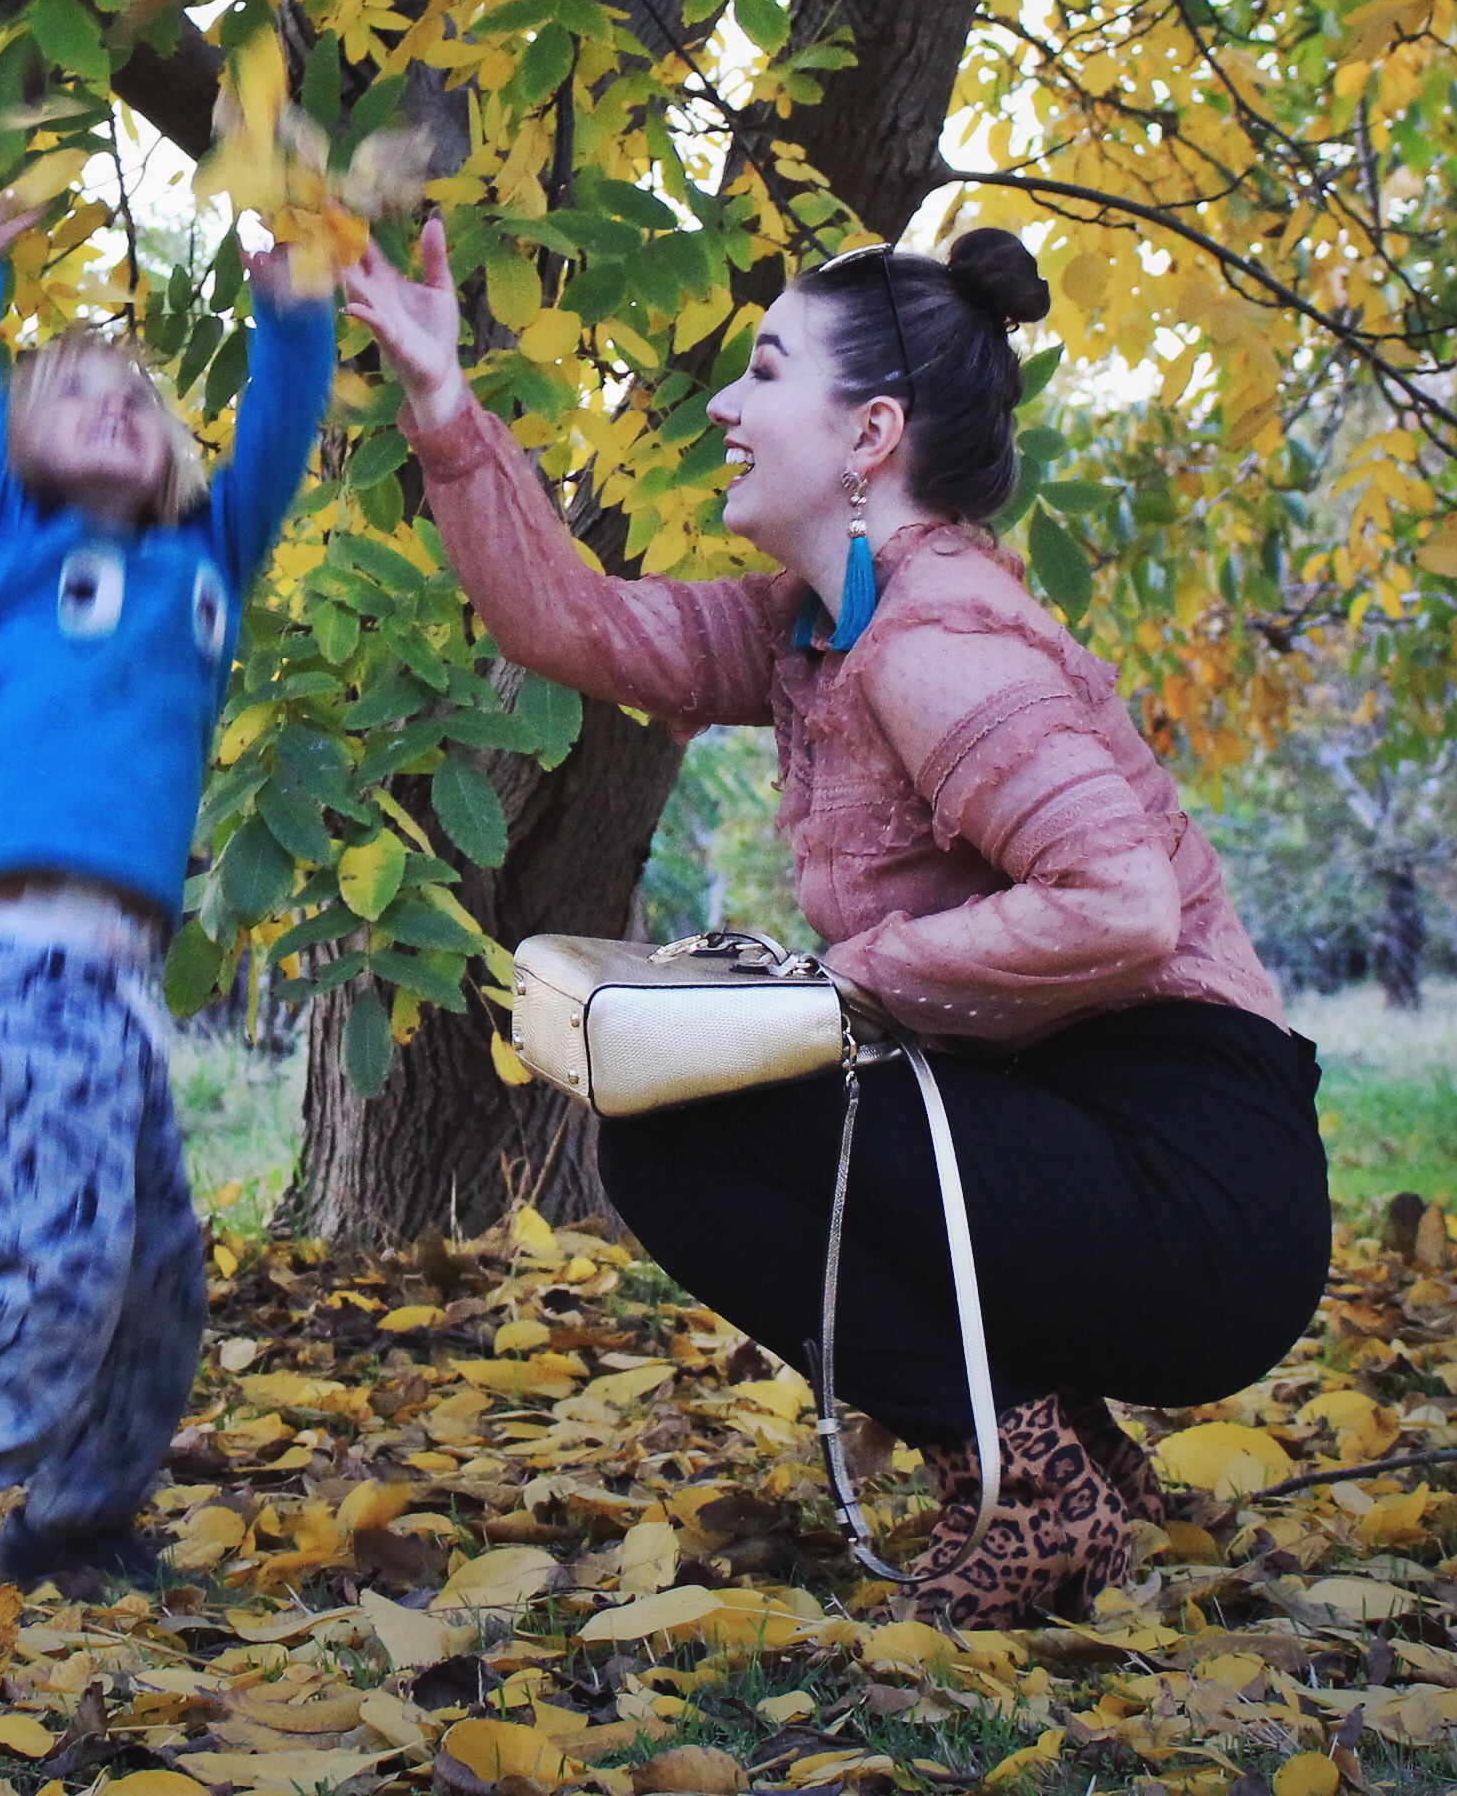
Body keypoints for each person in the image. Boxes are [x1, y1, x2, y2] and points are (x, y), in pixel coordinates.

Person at [340, 218, 1326, 1625]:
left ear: (871, 432)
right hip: (1089, 1141)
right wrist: (444, 398)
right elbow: (576, 628)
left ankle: (1033, 1480)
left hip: (1196, 1183)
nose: (726, 409)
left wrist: (842, 983)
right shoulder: (821, 625)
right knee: (678, 1118)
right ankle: (1063, 1446)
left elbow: (1120, 902)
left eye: (762, 369)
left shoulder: (935, 637)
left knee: (687, 1138)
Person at [0, 198, 336, 1604]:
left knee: (159, 1274)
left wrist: (293, 309)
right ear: (25, 441)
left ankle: (80, 1518)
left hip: (118, 982)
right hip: (15, 969)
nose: (116, 405)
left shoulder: (208, 557)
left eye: (140, 397)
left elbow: (280, 432)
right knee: (62, 1258)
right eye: (78, 391)